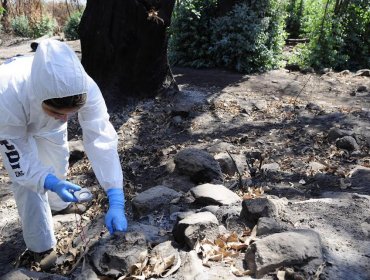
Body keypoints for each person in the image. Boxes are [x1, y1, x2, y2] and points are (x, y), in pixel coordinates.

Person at [0, 39, 127, 269]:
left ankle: (58, 204)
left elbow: (101, 138)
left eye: (71, 113)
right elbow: (19, 158)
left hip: (49, 128)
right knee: (29, 184)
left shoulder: (84, 86)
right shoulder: (6, 91)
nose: (66, 118)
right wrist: (45, 180)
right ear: (41, 99)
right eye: (57, 112)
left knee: (57, 165)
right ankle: (41, 246)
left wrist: (116, 197)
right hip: (13, 123)